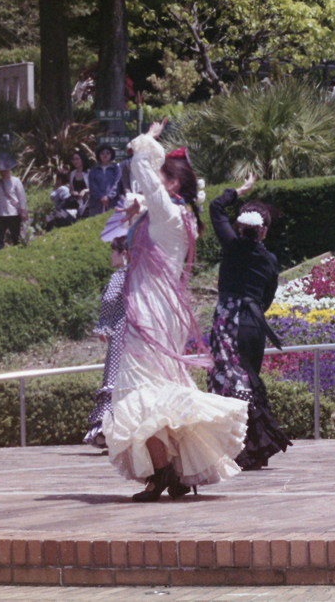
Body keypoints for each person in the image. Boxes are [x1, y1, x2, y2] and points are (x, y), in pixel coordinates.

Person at [104, 121, 248, 502]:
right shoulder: (179, 218)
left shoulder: (167, 213)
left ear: (172, 185)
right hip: (160, 314)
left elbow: (138, 166)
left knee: (141, 392)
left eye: (161, 176)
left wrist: (149, 141)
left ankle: (163, 471)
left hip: (149, 314)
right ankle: (174, 471)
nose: (152, 180)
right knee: (160, 391)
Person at [206, 174, 291, 470]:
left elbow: (215, 208)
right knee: (250, 380)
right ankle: (255, 447)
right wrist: (253, 308)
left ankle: (230, 447)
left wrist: (238, 191)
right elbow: (268, 295)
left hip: (227, 323)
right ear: (263, 232)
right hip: (254, 324)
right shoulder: (269, 259)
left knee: (227, 381)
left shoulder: (231, 246)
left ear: (240, 227)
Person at [84, 236, 129, 448]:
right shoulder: (140, 274)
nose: (111, 256)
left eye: (114, 251)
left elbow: (110, 299)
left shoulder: (120, 275)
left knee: (113, 375)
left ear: (123, 253)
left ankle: (107, 428)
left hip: (120, 328)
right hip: (138, 330)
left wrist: (103, 324)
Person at [0, 167, 28, 250]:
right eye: (0, 170)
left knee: (16, 238)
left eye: (4, 170)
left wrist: (23, 210)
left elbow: (21, 197)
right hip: (0, 214)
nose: (2, 172)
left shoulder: (15, 181)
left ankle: (18, 256)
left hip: (13, 214)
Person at [85, 145, 121, 218]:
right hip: (96, 202)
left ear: (111, 155)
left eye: (108, 153)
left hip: (112, 202)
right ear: (98, 155)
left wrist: (109, 197)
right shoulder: (94, 170)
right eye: (102, 153)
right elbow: (92, 185)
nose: (105, 155)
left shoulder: (116, 169)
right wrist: (101, 197)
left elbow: (117, 183)